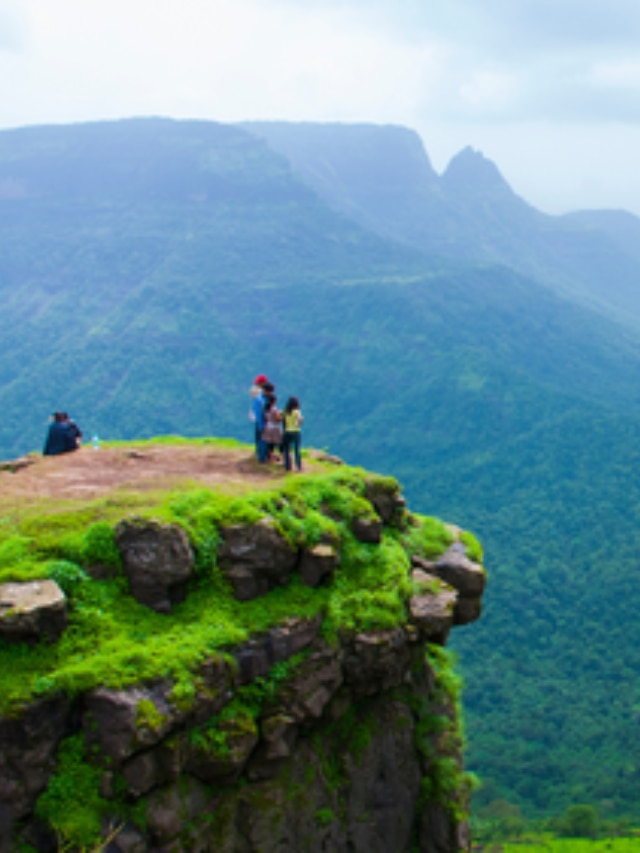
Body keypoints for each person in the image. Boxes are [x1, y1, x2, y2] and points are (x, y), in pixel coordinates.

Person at [252, 380, 274, 462]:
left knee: (267, 440)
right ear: (266, 391)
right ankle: (261, 457)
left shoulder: (268, 398)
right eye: (270, 392)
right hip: (262, 423)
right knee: (262, 440)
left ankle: (266, 456)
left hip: (268, 424)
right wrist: (261, 425)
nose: (271, 393)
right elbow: (258, 414)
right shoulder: (259, 400)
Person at [282, 396, 303, 471]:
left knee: (287, 449)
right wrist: (298, 424)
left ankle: (288, 466)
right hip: (296, 431)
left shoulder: (285, 411)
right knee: (297, 449)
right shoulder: (296, 411)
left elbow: (281, 418)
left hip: (287, 431)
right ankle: (299, 466)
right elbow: (300, 419)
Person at [262, 395, 283, 461]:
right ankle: (281, 457)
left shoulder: (266, 408)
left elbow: (265, 418)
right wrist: (281, 416)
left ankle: (271, 458)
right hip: (275, 428)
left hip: (268, 427)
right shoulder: (274, 409)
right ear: (274, 401)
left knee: (271, 444)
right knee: (281, 443)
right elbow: (278, 419)